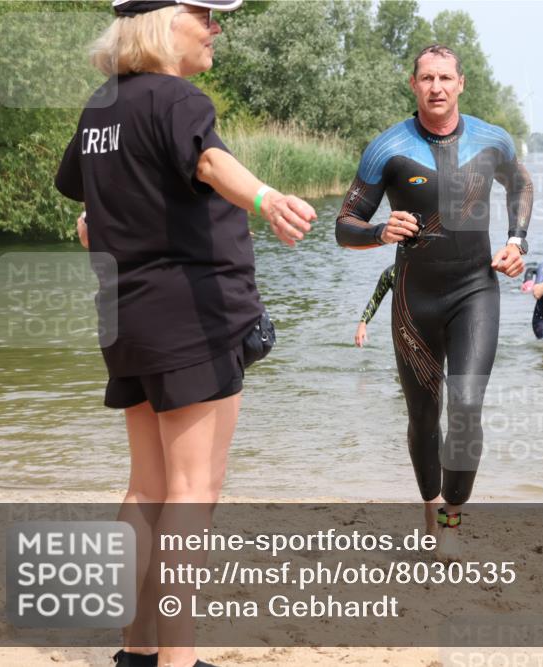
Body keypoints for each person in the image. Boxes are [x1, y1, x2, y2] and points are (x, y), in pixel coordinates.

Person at [55, 2, 316, 666]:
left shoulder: (100, 107)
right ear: (163, 19)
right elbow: (206, 164)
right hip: (189, 317)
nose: (216, 27)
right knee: (193, 491)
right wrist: (266, 198)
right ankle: (176, 659)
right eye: (205, 13)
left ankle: (137, 650)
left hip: (128, 317)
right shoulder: (179, 99)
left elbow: (87, 206)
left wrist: (106, 224)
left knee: (147, 485)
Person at [334, 44, 533, 551]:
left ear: (461, 83)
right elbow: (344, 226)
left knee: (465, 407)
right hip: (412, 300)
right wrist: (379, 231)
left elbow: (520, 186)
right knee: (424, 416)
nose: (436, 87)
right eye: (427, 78)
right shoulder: (387, 148)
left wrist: (517, 241)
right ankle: (428, 516)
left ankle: (451, 524)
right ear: (413, 84)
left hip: (475, 290)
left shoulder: (493, 141)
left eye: (445, 77)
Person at [355, 264, 396, 347]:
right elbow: (376, 299)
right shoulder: (391, 273)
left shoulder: (427, 270)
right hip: (404, 329)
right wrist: (362, 324)